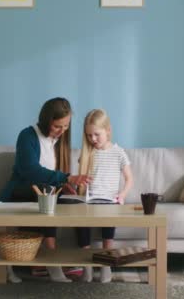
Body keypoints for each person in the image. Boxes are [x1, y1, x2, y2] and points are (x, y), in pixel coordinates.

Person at [0, 97, 91, 283]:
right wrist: (65, 178)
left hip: (43, 192)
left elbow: (49, 175)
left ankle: (86, 262)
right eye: (58, 126)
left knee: (78, 203)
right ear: (46, 120)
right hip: (21, 191)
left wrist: (63, 185)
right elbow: (30, 170)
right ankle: (53, 266)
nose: (62, 131)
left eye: (66, 127)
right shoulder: (27, 136)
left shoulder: (56, 141)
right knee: (48, 200)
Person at [76, 109, 133, 283]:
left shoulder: (118, 152)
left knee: (109, 223)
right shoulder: (88, 153)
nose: (92, 139)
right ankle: (87, 268)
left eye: (96, 134)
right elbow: (81, 179)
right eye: (89, 135)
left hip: (109, 200)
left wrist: (122, 195)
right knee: (79, 221)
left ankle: (106, 266)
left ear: (108, 130)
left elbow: (129, 178)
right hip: (90, 200)